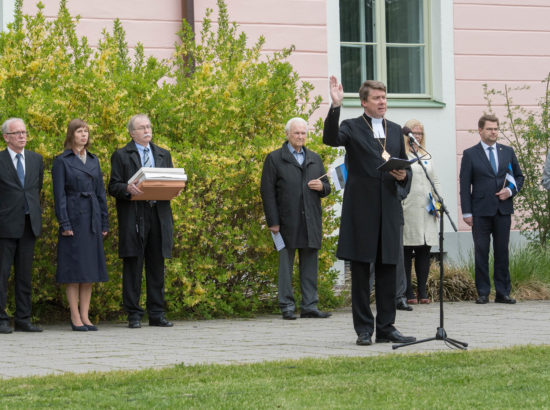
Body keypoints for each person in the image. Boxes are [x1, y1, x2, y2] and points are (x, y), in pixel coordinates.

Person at [323, 76, 416, 346]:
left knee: (388, 272)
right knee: (362, 274)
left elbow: (405, 172)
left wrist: (402, 177)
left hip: (388, 212)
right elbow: (330, 139)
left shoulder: (397, 130)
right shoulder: (352, 127)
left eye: (384, 98)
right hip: (361, 212)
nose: (382, 102)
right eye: (376, 98)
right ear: (364, 102)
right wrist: (335, 105)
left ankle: (386, 327)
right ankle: (364, 330)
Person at [109, 114, 177, 329]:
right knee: (133, 264)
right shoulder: (121, 155)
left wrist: (176, 187)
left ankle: (157, 313)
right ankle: (134, 314)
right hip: (135, 215)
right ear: (132, 133)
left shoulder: (163, 154)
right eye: (141, 127)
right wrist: (127, 189)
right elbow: (113, 186)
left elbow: (170, 181)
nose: (147, 130)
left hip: (158, 214)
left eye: (149, 126)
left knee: (157, 265)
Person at [260, 117, 332, 320]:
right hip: (285, 221)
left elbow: (326, 187)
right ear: (287, 134)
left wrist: (322, 187)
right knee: (285, 265)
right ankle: (287, 306)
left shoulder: (315, 158)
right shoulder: (274, 158)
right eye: (296, 133)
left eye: (303, 133)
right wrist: (273, 221)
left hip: (310, 220)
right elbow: (267, 192)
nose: (300, 137)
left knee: (310, 264)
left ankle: (309, 305)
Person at [459, 114, 524, 305]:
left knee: (502, 252)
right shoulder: (470, 153)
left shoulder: (507, 151)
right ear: (480, 130)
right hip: (480, 211)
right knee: (481, 252)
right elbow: (465, 185)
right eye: (489, 129)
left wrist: (510, 191)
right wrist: (467, 212)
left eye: (496, 128)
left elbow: (519, 177)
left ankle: (503, 292)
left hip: (503, 210)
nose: (493, 132)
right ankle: (483, 292)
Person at [52, 119, 109, 331]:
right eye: (79, 131)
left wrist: (104, 220)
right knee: (74, 270)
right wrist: (64, 222)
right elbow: (59, 196)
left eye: (86, 131)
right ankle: (74, 316)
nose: (83, 135)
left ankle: (86, 316)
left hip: (92, 219)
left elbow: (100, 193)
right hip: (74, 219)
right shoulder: (62, 161)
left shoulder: (94, 160)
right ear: (71, 135)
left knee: (89, 271)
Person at [0, 118, 43, 334]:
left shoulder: (36, 160)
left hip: (29, 224)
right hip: (5, 226)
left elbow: (36, 191)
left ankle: (23, 318)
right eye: (17, 133)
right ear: (6, 137)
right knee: (2, 274)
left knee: (25, 274)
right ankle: (1, 319)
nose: (22, 136)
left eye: (24, 132)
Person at [401, 119, 440, 305]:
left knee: (425, 250)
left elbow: (435, 180)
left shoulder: (427, 155)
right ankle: (408, 292)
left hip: (428, 209)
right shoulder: (403, 154)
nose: (417, 136)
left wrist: (438, 201)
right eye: (414, 133)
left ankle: (422, 291)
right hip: (409, 208)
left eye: (420, 133)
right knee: (408, 249)